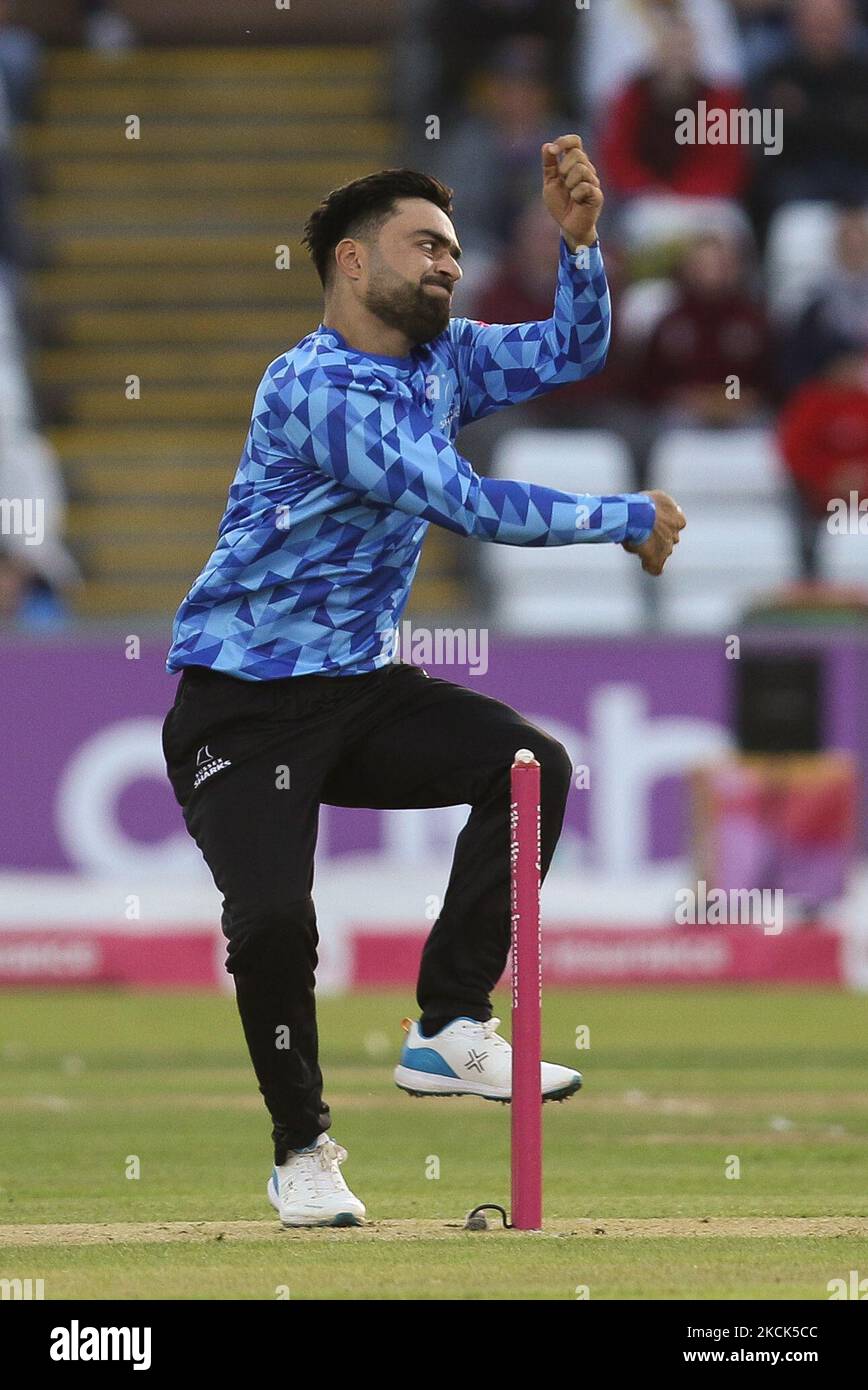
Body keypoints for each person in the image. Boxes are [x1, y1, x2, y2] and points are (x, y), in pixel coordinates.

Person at [160, 141, 686, 1228]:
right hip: (243, 705)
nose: (448, 264)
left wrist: (582, 249)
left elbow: (569, 351)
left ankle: (449, 1027)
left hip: (359, 687)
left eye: (452, 247)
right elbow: (467, 502)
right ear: (352, 263)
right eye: (424, 246)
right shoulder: (314, 385)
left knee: (530, 764)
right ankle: (302, 1151)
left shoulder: (444, 358)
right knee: (272, 921)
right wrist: (622, 515)